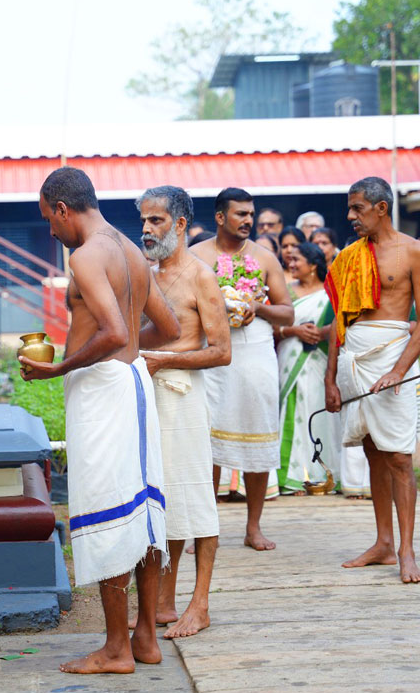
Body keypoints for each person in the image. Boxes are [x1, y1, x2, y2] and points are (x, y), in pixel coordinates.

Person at [20, 167, 181, 674]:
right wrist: (128, 353)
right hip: (130, 381)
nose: (50, 230)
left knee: (109, 505)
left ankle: (115, 649)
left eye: (49, 219)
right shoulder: (132, 251)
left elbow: (111, 331)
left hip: (104, 390)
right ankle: (145, 639)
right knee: (141, 503)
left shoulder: (87, 255)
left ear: (63, 208)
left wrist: (58, 368)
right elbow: (169, 326)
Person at [324, 176, 420, 584]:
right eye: (350, 209)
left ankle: (407, 549)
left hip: (392, 359)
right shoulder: (348, 256)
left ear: (381, 208)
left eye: (358, 208)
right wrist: (330, 378)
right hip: (354, 359)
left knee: (399, 456)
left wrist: (398, 370)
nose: (351, 216)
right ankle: (383, 543)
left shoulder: (415, 252)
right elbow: (339, 321)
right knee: (371, 449)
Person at [135, 186, 230, 639]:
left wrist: (167, 360)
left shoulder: (200, 276)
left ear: (180, 225)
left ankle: (201, 604)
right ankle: (166, 601)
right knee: (161, 493)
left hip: (183, 394)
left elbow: (222, 351)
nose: (147, 229)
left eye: (156, 221)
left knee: (195, 497)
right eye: (144, 221)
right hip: (150, 392)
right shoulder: (146, 274)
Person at [191, 187, 294, 551]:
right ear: (220, 217)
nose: (248, 220)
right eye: (240, 214)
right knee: (207, 437)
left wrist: (257, 305)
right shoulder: (195, 256)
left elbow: (287, 312)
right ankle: (205, 528)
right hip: (210, 352)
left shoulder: (266, 257)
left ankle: (253, 527)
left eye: (251, 214)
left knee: (258, 430)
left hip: (254, 353)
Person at [274, 242, 340, 494]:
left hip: (319, 361)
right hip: (290, 360)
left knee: (316, 412)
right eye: (289, 260)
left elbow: (338, 326)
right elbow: (270, 326)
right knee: (291, 412)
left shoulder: (330, 295)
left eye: (296, 260)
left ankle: (320, 474)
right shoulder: (286, 293)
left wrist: (320, 333)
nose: (291, 264)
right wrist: (293, 331)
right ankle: (290, 476)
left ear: (313, 265)